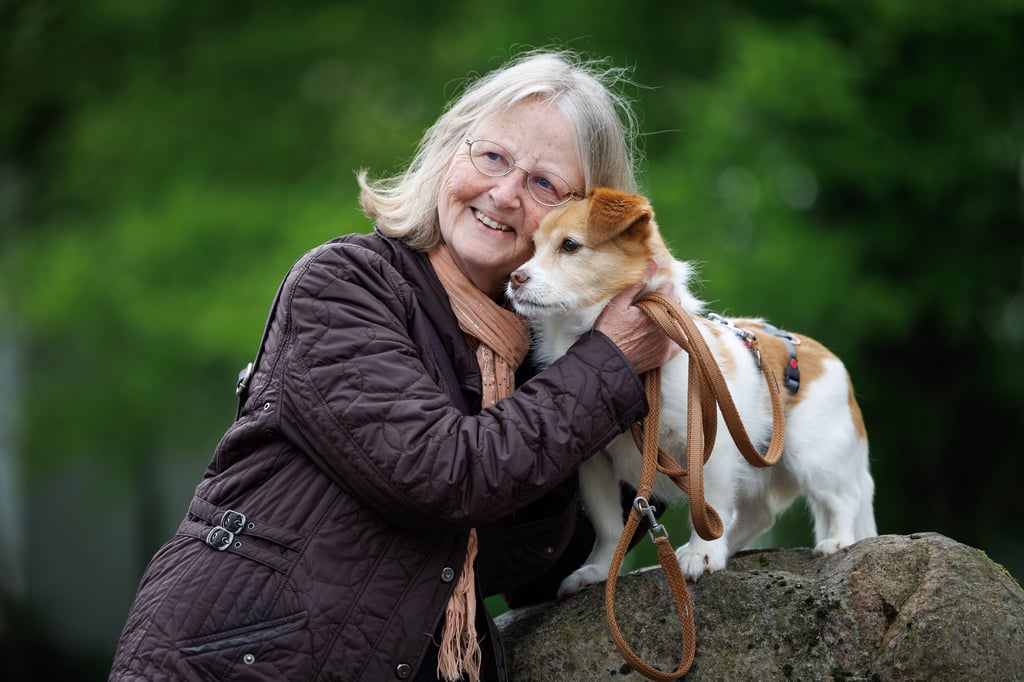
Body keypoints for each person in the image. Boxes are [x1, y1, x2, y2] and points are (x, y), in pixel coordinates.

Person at [110, 48, 678, 682]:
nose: (504, 194)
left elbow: (546, 566)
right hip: (232, 664)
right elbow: (444, 475)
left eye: (544, 184)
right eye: (492, 157)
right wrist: (609, 363)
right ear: (449, 151)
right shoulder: (343, 284)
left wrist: (660, 383)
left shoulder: (539, 361)